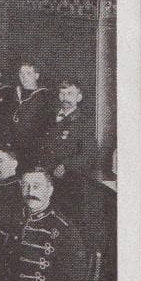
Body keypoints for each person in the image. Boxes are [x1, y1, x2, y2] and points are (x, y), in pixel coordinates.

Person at [1, 168, 87, 281]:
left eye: (37, 186)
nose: (30, 192)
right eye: (25, 186)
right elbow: (6, 246)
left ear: (50, 190)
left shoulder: (64, 230)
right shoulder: (21, 215)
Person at [39, 79, 95, 212]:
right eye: (62, 93)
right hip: (45, 178)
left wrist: (66, 165)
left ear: (79, 97)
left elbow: (89, 154)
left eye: (70, 94)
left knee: (66, 216)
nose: (65, 98)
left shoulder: (84, 122)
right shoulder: (48, 118)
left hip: (69, 181)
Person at [9, 62, 52, 171]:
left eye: (28, 73)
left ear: (36, 76)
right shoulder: (13, 95)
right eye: (21, 73)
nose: (24, 77)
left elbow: (46, 129)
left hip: (33, 151)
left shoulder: (44, 98)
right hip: (13, 149)